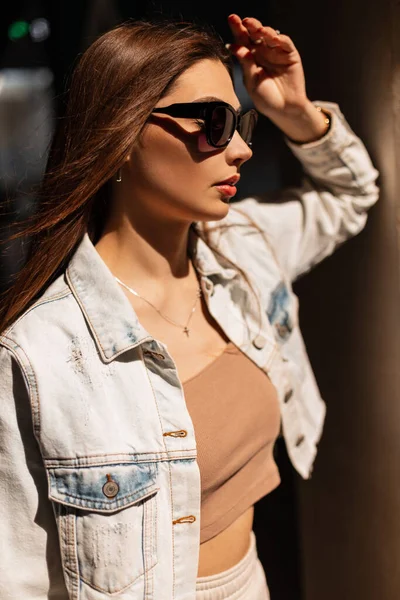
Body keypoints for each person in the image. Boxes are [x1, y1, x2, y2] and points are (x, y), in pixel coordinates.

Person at [0, 13, 378, 600]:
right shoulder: (38, 355)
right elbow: (16, 579)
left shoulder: (243, 253)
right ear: (122, 135)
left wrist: (297, 112)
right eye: (214, 122)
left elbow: (353, 193)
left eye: (242, 121)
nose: (244, 148)